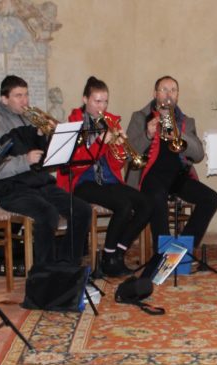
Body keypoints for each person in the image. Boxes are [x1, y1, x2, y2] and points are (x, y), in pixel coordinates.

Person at [0, 75, 92, 270]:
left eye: (26, 95)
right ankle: (43, 273)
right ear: (4, 99)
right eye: (18, 95)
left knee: (81, 210)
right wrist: (25, 161)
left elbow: (43, 158)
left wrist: (42, 137)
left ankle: (66, 265)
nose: (25, 100)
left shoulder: (30, 119)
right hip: (9, 188)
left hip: (38, 184)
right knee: (47, 214)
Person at [61, 76, 153, 277]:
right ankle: (108, 258)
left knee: (147, 204)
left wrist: (118, 146)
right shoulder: (75, 123)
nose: (101, 106)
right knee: (124, 205)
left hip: (108, 180)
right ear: (85, 99)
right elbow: (76, 162)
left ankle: (115, 254)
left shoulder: (110, 121)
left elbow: (117, 163)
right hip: (83, 181)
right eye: (97, 101)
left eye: (105, 101)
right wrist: (101, 142)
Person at [125, 76, 217, 249]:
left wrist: (179, 135)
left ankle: (182, 250)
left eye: (173, 90)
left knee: (211, 198)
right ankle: (164, 253)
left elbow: (198, 155)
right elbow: (128, 153)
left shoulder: (186, 121)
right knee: (157, 197)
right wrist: (147, 134)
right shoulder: (139, 117)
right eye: (164, 90)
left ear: (177, 96)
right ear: (155, 93)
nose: (169, 95)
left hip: (178, 178)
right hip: (149, 175)